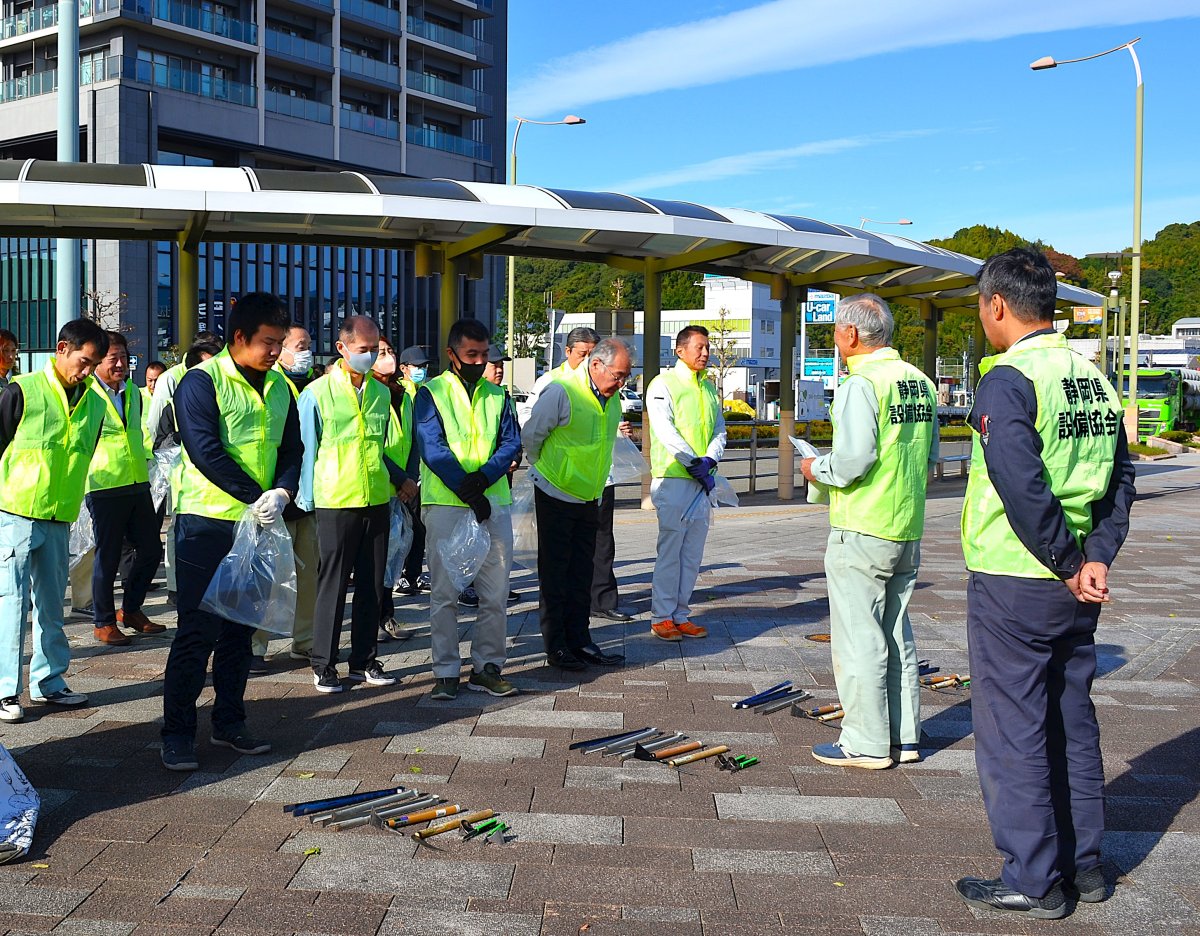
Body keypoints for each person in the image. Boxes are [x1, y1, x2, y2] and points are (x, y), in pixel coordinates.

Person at [953, 248, 1136, 919]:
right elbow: (1121, 478)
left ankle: (1033, 879)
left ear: (997, 305)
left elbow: (1020, 484)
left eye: (982, 306)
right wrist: (1095, 557)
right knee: (1071, 720)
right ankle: (1084, 864)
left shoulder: (1009, 379)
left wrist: (1064, 559)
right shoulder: (1092, 379)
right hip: (1076, 581)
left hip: (1016, 575)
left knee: (1014, 732)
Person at [160, 293, 301, 771]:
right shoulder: (202, 381)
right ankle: (177, 732)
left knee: (241, 630)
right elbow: (204, 449)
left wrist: (282, 492)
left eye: (280, 343)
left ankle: (229, 721)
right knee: (196, 632)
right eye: (268, 342)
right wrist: (255, 495)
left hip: (258, 521)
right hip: (206, 522)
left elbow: (292, 449)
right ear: (239, 336)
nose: (276, 352)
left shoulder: (280, 387)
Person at [798, 294, 938, 770]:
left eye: (836, 331)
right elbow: (929, 455)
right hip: (906, 524)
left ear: (852, 334)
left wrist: (817, 468)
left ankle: (865, 742)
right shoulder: (918, 381)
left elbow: (854, 460)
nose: (836, 340)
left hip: (862, 525)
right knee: (896, 632)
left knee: (859, 638)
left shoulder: (862, 384)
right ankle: (904, 737)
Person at [0, 320, 109, 724]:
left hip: (59, 516)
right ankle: (5, 690)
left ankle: (49, 681)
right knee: (11, 604)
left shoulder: (95, 404)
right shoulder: (22, 391)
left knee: (51, 606)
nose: (87, 370)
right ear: (62, 348)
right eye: (84, 361)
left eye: (93, 364)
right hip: (14, 512)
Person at [299, 317, 415, 693]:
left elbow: (380, 447)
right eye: (363, 350)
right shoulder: (317, 393)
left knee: (373, 585)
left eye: (374, 349)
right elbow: (307, 450)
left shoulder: (381, 394)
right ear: (342, 348)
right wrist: (307, 500)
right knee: (332, 586)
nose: (369, 356)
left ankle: (364, 660)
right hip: (335, 499)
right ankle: (323, 663)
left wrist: (398, 482)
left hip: (376, 497)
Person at [416, 319, 521, 700]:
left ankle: (487, 667)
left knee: (495, 593)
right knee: (445, 594)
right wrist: (468, 488)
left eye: (483, 354)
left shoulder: (499, 396)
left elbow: (511, 443)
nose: (479, 361)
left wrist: (484, 478)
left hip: (493, 501)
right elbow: (432, 447)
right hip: (447, 503)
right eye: (470, 354)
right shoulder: (430, 393)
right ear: (452, 354)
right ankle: (445, 671)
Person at [522, 338, 630, 670]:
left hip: (590, 493)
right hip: (556, 491)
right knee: (556, 573)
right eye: (618, 375)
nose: (621, 383)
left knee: (583, 572)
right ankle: (556, 646)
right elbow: (532, 435)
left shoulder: (611, 398)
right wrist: (551, 469)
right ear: (596, 365)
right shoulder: (562, 391)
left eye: (626, 377)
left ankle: (580, 639)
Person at [85, 331, 166, 647]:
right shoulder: (87, 392)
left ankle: (130, 609)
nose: (120, 364)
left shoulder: (132, 391)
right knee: (107, 556)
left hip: (136, 480)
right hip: (104, 483)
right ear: (98, 361)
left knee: (151, 549)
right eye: (112, 358)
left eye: (123, 357)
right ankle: (103, 622)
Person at [645, 325, 726, 641]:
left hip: (701, 480)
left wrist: (709, 460)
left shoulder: (708, 387)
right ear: (680, 350)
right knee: (671, 552)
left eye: (707, 347)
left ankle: (680, 614)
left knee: (692, 555)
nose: (705, 353)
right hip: (673, 479)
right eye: (699, 347)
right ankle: (662, 617)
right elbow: (666, 430)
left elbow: (719, 429)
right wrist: (694, 463)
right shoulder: (663, 384)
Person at [249, 325, 319, 672]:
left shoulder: (316, 384)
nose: (305, 353)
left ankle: (304, 641)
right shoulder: (272, 384)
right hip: (275, 496)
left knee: (310, 577)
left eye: (308, 346)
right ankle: (254, 645)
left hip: (310, 498)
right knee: (267, 577)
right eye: (299, 346)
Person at [148, 332, 223, 606]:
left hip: (217, 478)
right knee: (179, 527)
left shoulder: (225, 385)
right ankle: (175, 586)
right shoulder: (173, 381)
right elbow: (157, 428)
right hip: (183, 472)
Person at [459, 345, 521, 609]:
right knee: (471, 537)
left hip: (499, 481)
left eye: (501, 365)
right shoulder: (468, 397)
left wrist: (515, 457)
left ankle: (494, 584)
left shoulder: (503, 397)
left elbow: (513, 435)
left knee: (494, 544)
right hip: (474, 481)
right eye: (494, 365)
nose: (499, 370)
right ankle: (468, 586)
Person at [372, 335, 419, 641]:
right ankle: (373, 619)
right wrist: (400, 478)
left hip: (402, 490)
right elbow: (373, 446)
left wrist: (410, 478)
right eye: (380, 352)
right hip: (381, 487)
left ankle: (387, 615)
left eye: (390, 350)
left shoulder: (404, 395)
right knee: (376, 563)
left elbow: (413, 440)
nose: (388, 356)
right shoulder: (370, 393)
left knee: (393, 558)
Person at [393, 344, 431, 596]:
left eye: (424, 366)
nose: (422, 370)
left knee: (419, 528)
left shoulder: (426, 391)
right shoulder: (398, 392)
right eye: (417, 366)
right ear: (404, 368)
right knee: (401, 529)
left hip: (420, 472)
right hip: (401, 474)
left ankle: (413, 574)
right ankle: (398, 575)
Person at [528, 327, 599, 408]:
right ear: (568, 352)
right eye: (582, 354)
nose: (587, 360)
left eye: (593, 355)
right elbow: (528, 412)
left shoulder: (603, 381)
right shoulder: (549, 380)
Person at [277, 324, 319, 393]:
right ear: (280, 351)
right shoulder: (269, 380)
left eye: (309, 347)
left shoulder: (317, 379)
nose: (307, 352)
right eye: (301, 348)